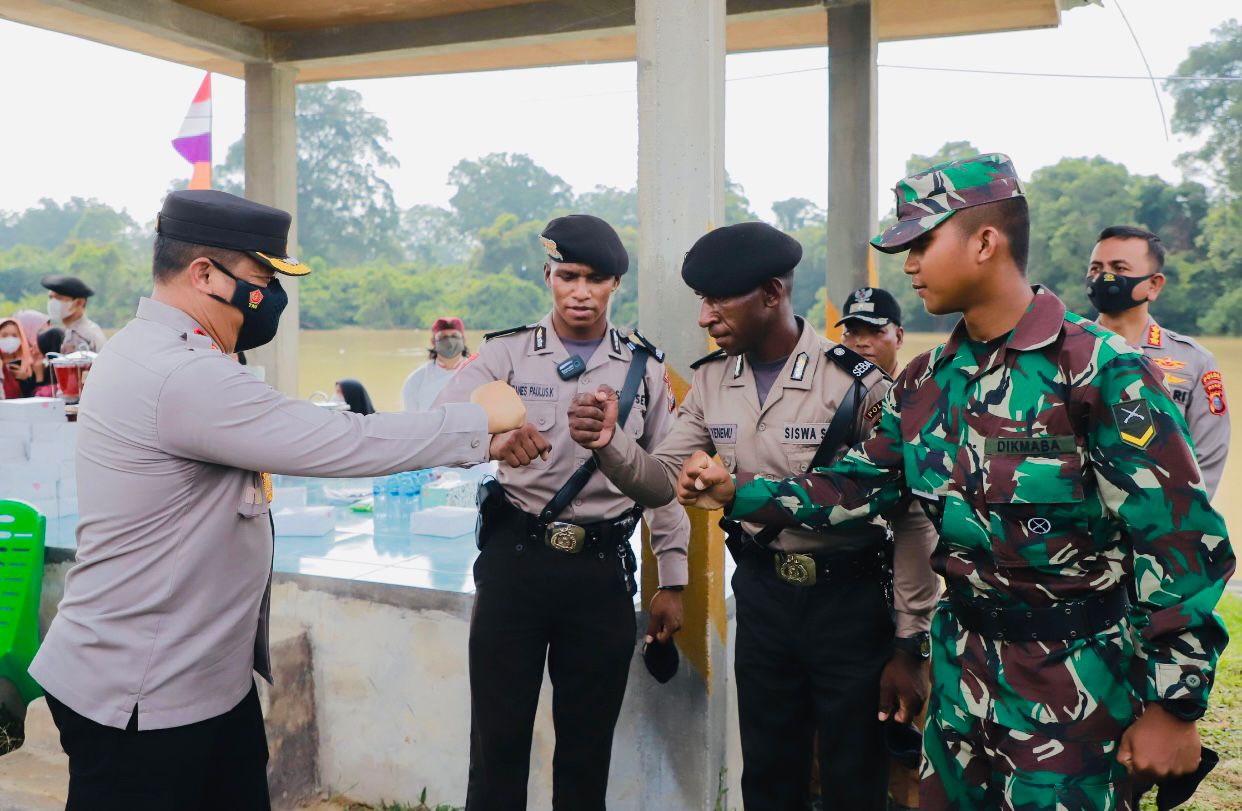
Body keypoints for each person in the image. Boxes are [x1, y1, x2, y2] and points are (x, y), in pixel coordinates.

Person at [678, 154, 1234, 811]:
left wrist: (1175, 704)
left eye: (920, 244)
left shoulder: (1098, 371)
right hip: (962, 681)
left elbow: (1180, 538)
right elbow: (857, 486)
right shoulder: (924, 382)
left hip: (1074, 687)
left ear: (985, 241)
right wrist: (736, 491)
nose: (907, 263)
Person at [28, 189, 530, 810]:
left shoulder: (155, 351)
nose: (272, 298)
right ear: (205, 274)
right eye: (262, 279)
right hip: (144, 697)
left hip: (200, 681)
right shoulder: (179, 374)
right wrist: (475, 422)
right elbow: (336, 438)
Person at [566, 222, 940, 811]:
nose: (703, 317)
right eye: (701, 301)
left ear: (771, 294)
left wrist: (909, 642)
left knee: (854, 781)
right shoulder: (713, 381)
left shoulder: (857, 385)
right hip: (765, 600)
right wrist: (610, 443)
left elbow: (912, 515)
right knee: (767, 776)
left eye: (718, 301)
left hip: (851, 606)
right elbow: (660, 481)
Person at [434, 214, 690, 811]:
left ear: (615, 286)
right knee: (497, 739)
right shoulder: (506, 356)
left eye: (596, 279)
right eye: (568, 275)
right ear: (548, 275)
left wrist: (672, 577)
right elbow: (440, 427)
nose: (581, 291)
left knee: (586, 744)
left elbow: (664, 479)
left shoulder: (644, 369)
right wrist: (489, 442)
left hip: (599, 573)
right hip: (515, 564)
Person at [836, 286, 941, 811]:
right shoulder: (830, 396)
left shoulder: (916, 396)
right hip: (841, 589)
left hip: (900, 593)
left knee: (905, 738)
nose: (861, 342)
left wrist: (913, 633)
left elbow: (917, 524)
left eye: (873, 331)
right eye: (852, 331)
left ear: (898, 335)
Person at [1087, 225, 1230, 498]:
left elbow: (1207, 459)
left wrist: (1181, 522)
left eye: (1119, 268)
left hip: (1164, 526)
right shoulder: (1065, 355)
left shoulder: (1193, 361)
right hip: (1086, 532)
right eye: (1095, 268)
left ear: (1153, 285)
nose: (1103, 277)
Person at [403, 316, 470, 412]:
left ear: (463, 339)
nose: (449, 342)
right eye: (443, 337)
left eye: (454, 336)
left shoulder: (479, 374)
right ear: (433, 341)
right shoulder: (415, 380)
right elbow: (411, 421)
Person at [42, 274, 108, 354]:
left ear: (79, 302)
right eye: (50, 297)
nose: (52, 302)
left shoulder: (86, 336)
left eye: (59, 298)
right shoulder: (69, 331)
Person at [0, 317, 32, 400]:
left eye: (14, 335)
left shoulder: (28, 365)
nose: (10, 339)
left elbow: (32, 396)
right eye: (4, 335)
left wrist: (25, 380)